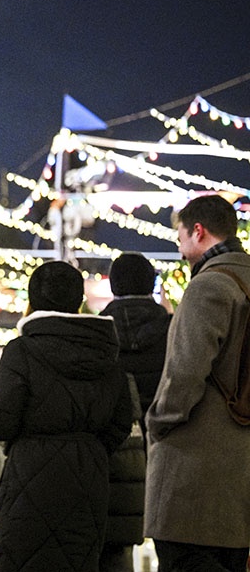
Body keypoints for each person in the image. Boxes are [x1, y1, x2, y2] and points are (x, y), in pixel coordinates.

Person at [0, 260, 133, 572]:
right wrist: (89, 447)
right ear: (78, 301)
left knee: (26, 559)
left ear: (33, 300)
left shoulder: (22, 350)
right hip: (88, 474)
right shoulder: (106, 352)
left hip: (30, 472)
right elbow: (121, 421)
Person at [144, 194, 250, 571]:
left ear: (198, 232)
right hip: (240, 474)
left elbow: (185, 372)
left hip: (197, 474)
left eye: (180, 236)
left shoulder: (209, 286)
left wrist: (158, 422)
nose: (179, 246)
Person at [99, 252, 170, 572]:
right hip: (166, 443)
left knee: (116, 543)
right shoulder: (172, 327)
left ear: (113, 286)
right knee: (170, 540)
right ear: (152, 283)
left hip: (116, 449)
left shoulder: (99, 331)